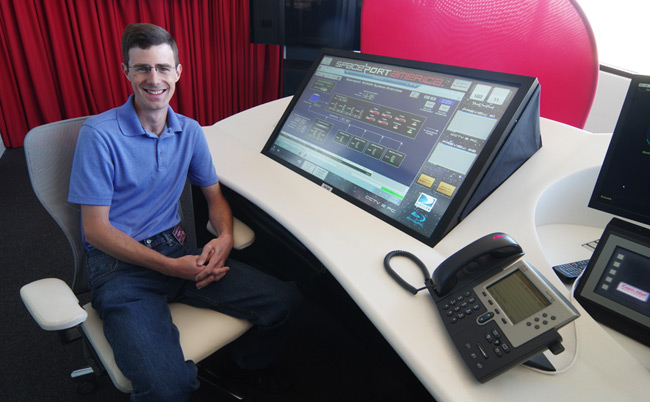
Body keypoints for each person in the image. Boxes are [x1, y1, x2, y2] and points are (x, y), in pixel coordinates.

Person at [68, 23, 301, 402]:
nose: (153, 78)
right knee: (166, 387)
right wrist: (170, 268)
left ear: (178, 71)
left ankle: (243, 368)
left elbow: (215, 198)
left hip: (177, 252)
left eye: (162, 67)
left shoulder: (189, 131)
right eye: (142, 68)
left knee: (284, 302)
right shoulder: (98, 135)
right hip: (120, 267)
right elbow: (95, 230)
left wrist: (223, 238)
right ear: (125, 72)